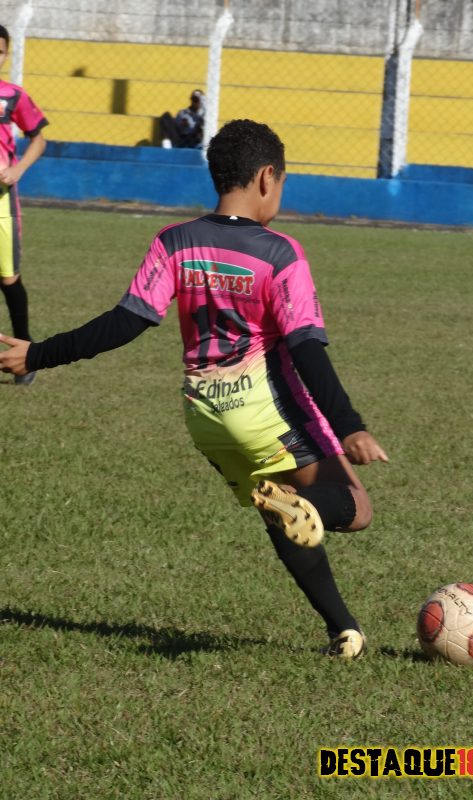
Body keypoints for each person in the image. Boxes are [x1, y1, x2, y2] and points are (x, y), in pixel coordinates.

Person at [0, 119, 388, 659]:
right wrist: (349, 426)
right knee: (353, 506)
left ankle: (344, 631)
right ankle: (307, 526)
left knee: (280, 512)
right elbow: (305, 348)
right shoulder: (280, 253)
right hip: (265, 406)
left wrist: (38, 354)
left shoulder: (175, 241)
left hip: (205, 414)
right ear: (267, 177)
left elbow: (124, 322)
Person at [0, 23, 48, 385]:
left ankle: (25, 354)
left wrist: (17, 169)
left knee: (8, 278)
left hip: (1, 201)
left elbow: (38, 139)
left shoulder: (12, 96)